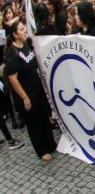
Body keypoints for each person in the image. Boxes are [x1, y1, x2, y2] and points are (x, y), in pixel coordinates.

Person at [5, 20, 57, 161]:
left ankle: (50, 144)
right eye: (21, 30)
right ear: (15, 35)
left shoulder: (25, 44)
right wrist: (25, 98)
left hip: (37, 88)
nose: (24, 31)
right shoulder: (12, 53)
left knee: (43, 118)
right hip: (26, 92)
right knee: (34, 123)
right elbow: (13, 79)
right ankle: (41, 151)